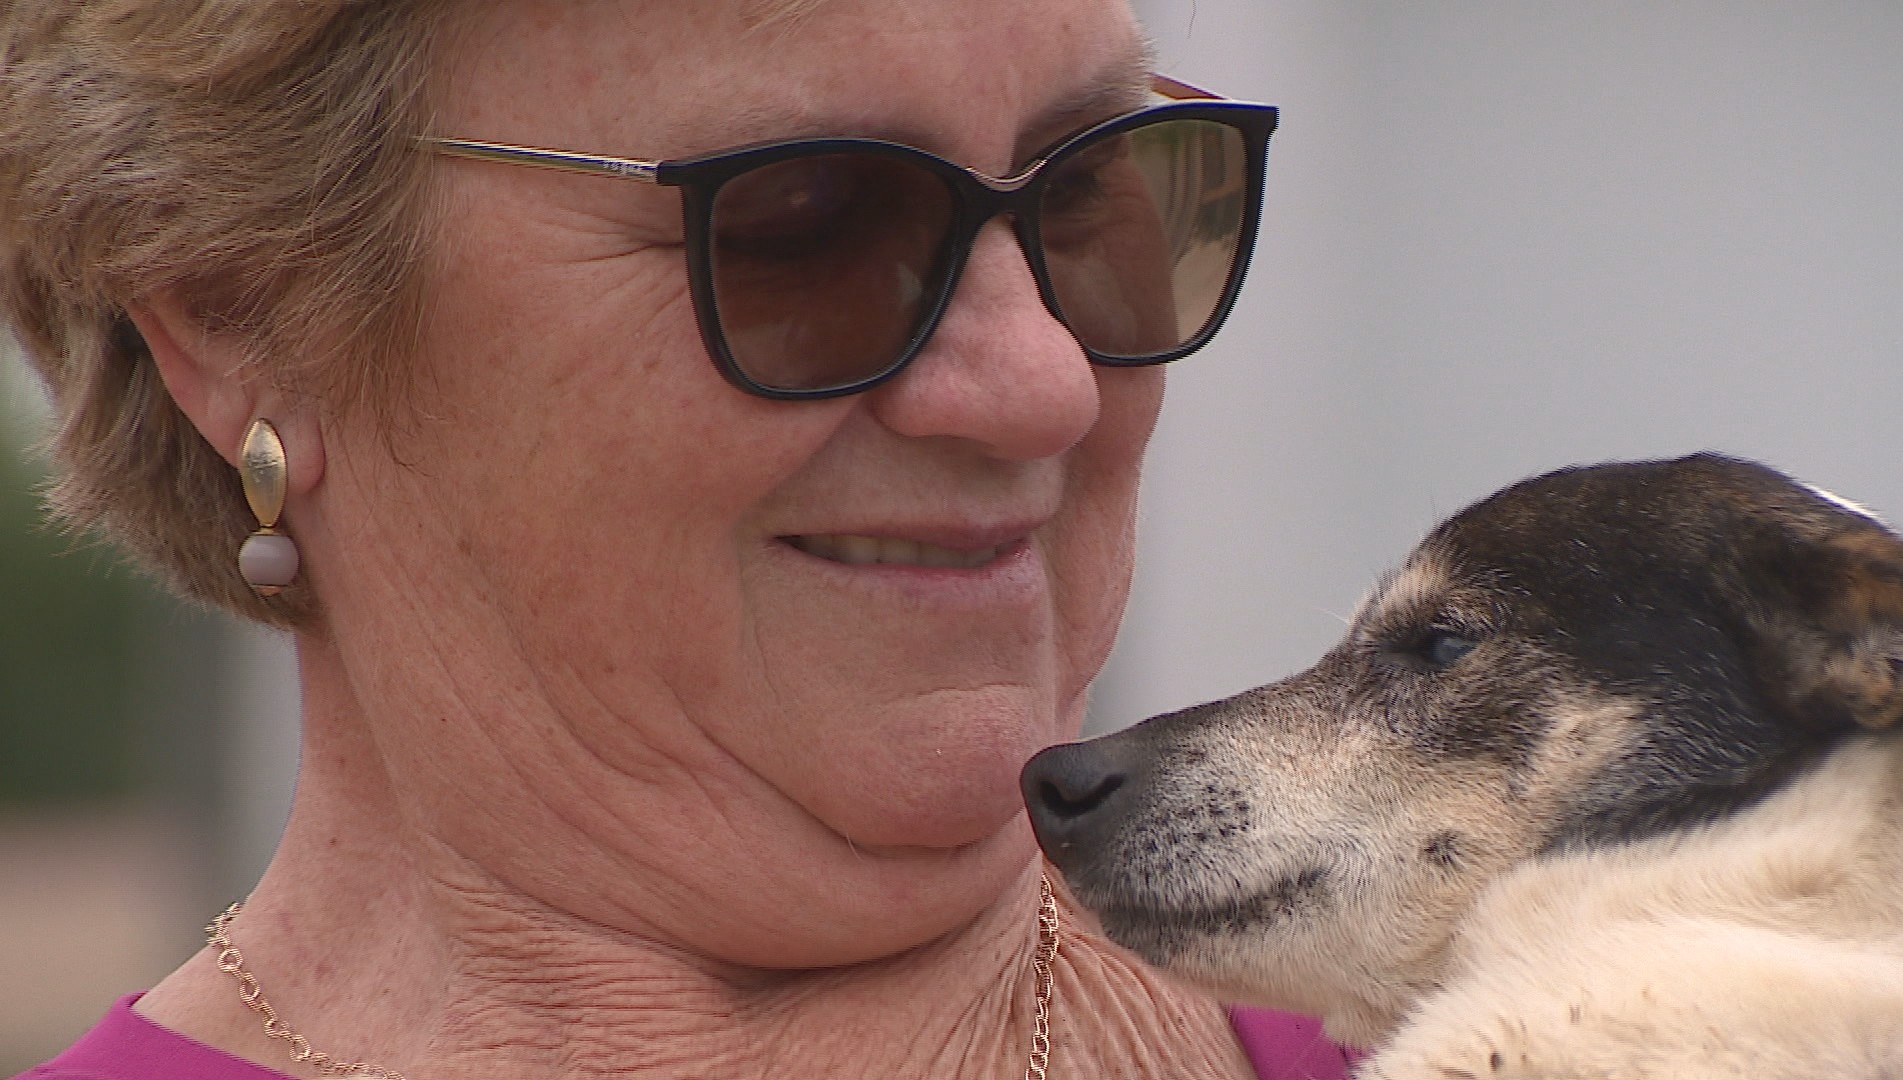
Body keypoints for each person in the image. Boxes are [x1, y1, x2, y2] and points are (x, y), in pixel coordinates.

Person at [0, 1, 1354, 1077]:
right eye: (804, 226)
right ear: (239, 316)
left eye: (1085, 197)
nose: (1041, 384)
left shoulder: (1497, 1022)